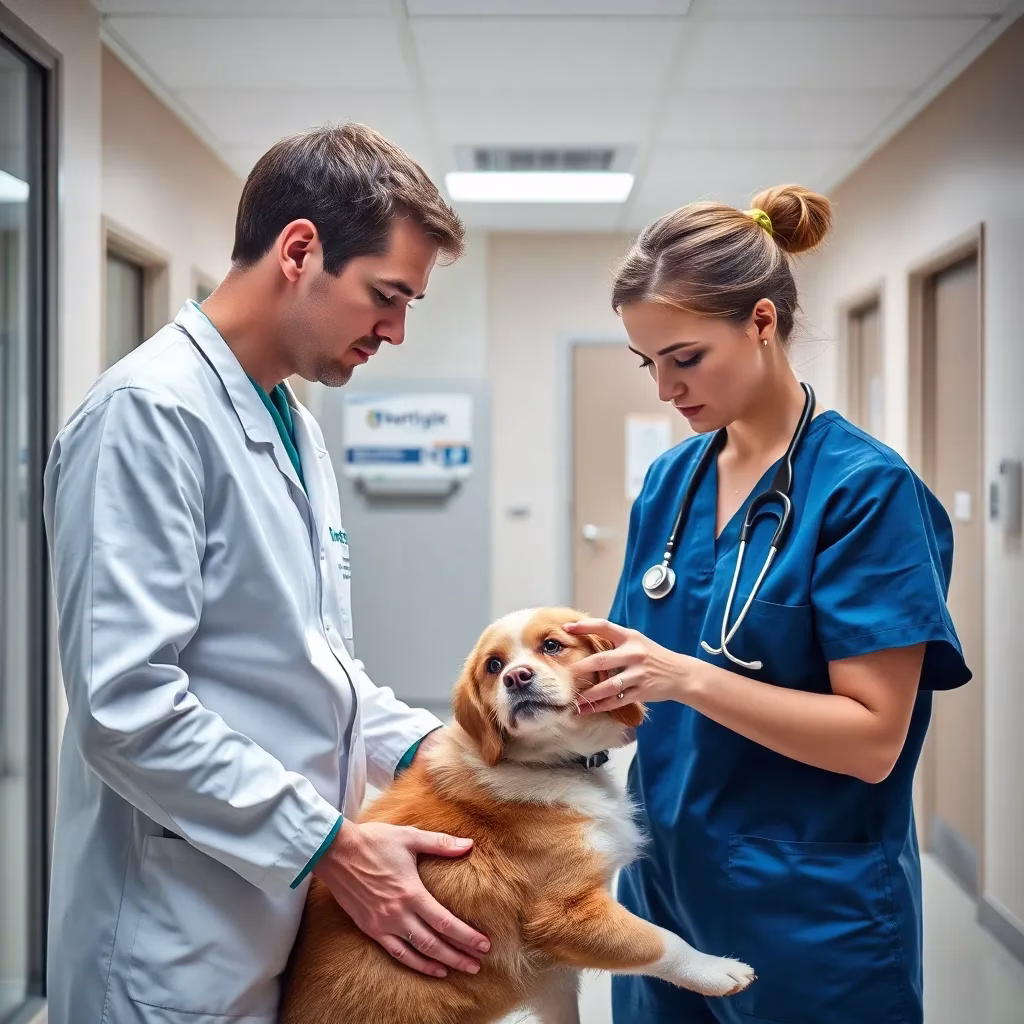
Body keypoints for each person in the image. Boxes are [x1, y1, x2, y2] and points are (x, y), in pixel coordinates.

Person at [42, 123, 491, 1024]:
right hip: (169, 931)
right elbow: (124, 705)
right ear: (299, 250)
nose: (396, 332)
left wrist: (450, 756)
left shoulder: (289, 418)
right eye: (386, 296)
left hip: (263, 906)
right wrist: (333, 847)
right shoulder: (150, 415)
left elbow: (315, 660)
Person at [566, 184, 971, 1024]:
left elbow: (871, 741)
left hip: (809, 916)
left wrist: (687, 678)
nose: (665, 390)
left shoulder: (865, 493)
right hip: (664, 897)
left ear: (759, 322)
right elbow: (640, 675)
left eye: (686, 357)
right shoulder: (671, 484)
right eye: (649, 364)